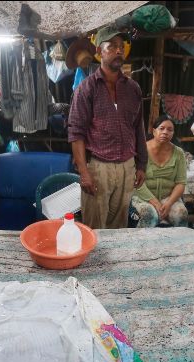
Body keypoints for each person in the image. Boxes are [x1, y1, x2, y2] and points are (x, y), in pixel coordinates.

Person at [67, 26, 147, 229]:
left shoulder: (133, 89)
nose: (119, 50)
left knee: (119, 227)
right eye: (111, 46)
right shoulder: (86, 88)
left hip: (127, 167)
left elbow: (138, 128)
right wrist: (84, 171)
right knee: (94, 228)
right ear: (99, 52)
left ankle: (113, 262)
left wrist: (141, 164)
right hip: (98, 168)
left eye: (121, 46)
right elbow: (76, 133)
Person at [131, 115, 189, 227]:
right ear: (154, 131)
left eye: (169, 130)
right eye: (161, 128)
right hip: (143, 197)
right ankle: (143, 244)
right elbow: (136, 182)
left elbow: (181, 183)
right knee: (150, 215)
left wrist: (169, 203)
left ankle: (178, 245)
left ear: (173, 133)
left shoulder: (179, 153)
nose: (165, 132)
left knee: (181, 214)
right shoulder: (141, 150)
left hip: (168, 198)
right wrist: (156, 203)